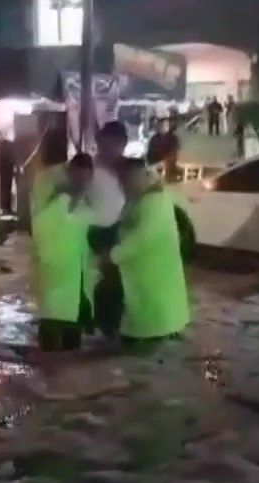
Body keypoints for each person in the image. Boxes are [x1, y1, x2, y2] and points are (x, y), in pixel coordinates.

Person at [109, 158, 190, 354]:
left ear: (135, 177)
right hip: (144, 277)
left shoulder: (154, 202)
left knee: (150, 348)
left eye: (124, 180)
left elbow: (142, 238)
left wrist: (111, 255)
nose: (121, 185)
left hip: (153, 281)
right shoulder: (141, 197)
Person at [31, 153, 96, 351]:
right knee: (50, 347)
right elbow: (41, 236)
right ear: (69, 174)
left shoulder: (86, 207)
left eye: (85, 178)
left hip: (76, 290)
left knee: (72, 349)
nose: (81, 183)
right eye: (77, 177)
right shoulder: (53, 203)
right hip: (54, 286)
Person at [85, 121, 129, 335]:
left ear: (124, 145)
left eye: (117, 144)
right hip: (93, 233)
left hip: (119, 231)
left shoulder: (129, 171)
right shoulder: (88, 170)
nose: (112, 148)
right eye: (107, 143)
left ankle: (110, 327)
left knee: (116, 283)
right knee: (97, 280)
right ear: (99, 142)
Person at [145, 117, 181, 183]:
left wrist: (165, 160)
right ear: (158, 126)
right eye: (161, 125)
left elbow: (175, 150)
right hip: (155, 162)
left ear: (168, 126)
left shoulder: (173, 138)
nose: (163, 127)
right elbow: (150, 153)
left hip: (169, 162)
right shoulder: (154, 138)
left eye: (166, 125)